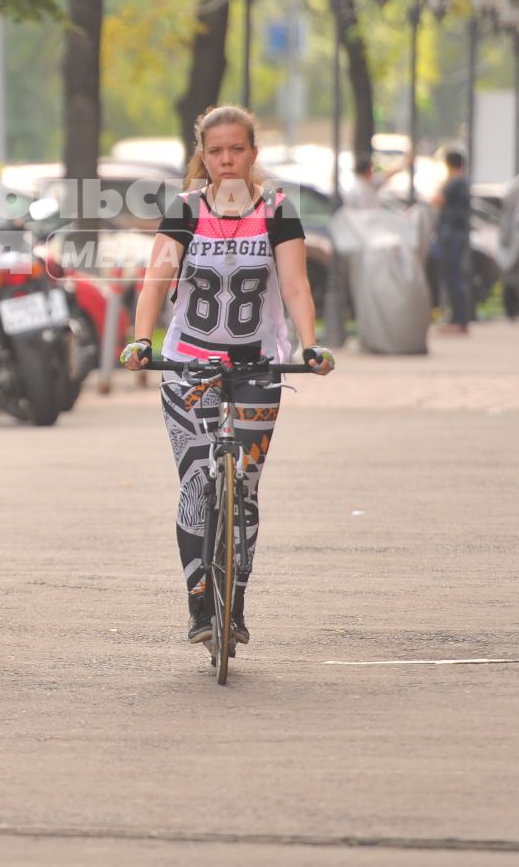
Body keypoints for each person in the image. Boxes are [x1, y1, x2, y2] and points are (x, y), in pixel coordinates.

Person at [120, 105, 334, 647]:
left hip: (258, 363)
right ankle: (198, 601)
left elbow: (295, 287)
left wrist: (309, 347)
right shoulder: (186, 210)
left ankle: (233, 604)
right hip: (188, 364)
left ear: (253, 154)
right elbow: (155, 280)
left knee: (245, 487)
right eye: (216, 151)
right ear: (203, 156)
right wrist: (142, 340)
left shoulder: (277, 211)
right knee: (197, 481)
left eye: (237, 149)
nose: (226, 160)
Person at [432, 148, 474, 333]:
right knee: (456, 276)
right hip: (459, 235)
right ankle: (460, 319)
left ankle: (457, 320)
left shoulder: (454, 182)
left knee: (451, 277)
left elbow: (437, 199)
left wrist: (441, 185)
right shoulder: (464, 182)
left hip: (450, 236)